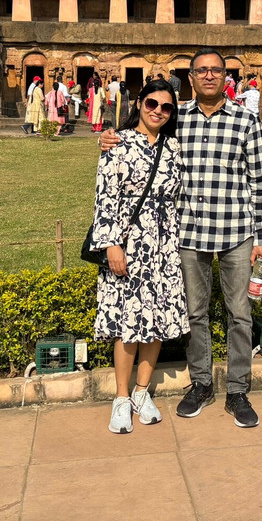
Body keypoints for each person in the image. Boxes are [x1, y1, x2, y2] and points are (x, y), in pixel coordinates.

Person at [99, 47, 262, 428]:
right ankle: (202, 384)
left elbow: (259, 182)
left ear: (226, 77)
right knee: (195, 314)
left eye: (216, 70)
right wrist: (109, 139)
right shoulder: (178, 121)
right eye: (201, 70)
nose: (209, 76)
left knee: (239, 315)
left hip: (237, 232)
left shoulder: (245, 120)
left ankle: (239, 390)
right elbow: (140, 139)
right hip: (189, 234)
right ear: (190, 78)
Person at [89, 80, 189, 433]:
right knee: (129, 322)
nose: (158, 111)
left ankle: (143, 392)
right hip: (129, 244)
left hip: (164, 244)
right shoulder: (117, 143)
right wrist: (112, 244)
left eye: (166, 107)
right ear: (139, 104)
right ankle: (121, 397)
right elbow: (105, 197)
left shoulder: (175, 147)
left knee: (157, 321)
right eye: (151, 104)